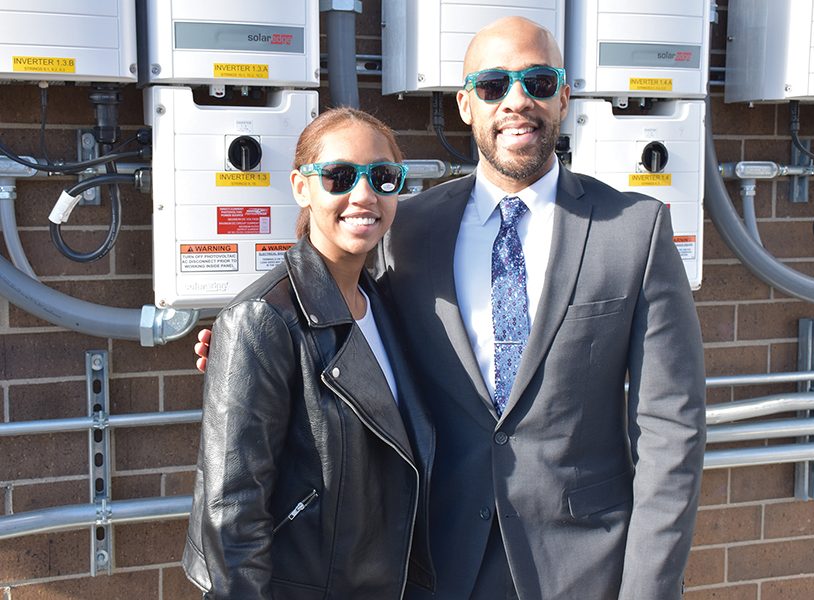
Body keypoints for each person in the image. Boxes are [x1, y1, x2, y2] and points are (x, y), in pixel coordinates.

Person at [197, 16, 706, 600]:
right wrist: (249, 345)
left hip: (585, 567)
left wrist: (648, 590)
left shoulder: (634, 232)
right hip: (434, 566)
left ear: (565, 96)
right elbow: (340, 324)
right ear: (466, 105)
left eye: (538, 82)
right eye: (493, 86)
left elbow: (672, 430)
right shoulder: (409, 229)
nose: (517, 101)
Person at [182, 107, 435, 599]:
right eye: (340, 176)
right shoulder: (261, 319)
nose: (363, 194)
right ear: (302, 187)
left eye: (382, 177)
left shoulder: (384, 304)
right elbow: (231, 511)